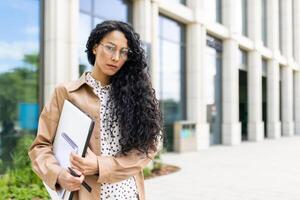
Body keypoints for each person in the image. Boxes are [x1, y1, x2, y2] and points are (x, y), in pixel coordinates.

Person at [28, 20, 163, 200]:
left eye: (124, 52)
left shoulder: (136, 97)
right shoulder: (66, 93)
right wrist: (59, 175)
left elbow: (147, 149)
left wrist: (100, 165)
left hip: (129, 194)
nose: (116, 57)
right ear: (94, 47)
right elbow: (40, 147)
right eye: (110, 47)